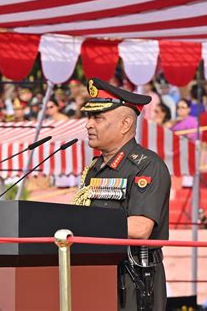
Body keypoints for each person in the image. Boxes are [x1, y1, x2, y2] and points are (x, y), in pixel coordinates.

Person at [72, 77, 170, 310]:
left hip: (134, 278)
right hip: (97, 272)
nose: (88, 125)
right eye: (88, 117)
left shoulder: (147, 165)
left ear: (125, 124)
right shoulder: (95, 168)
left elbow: (140, 228)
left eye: (98, 118)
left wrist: (80, 225)